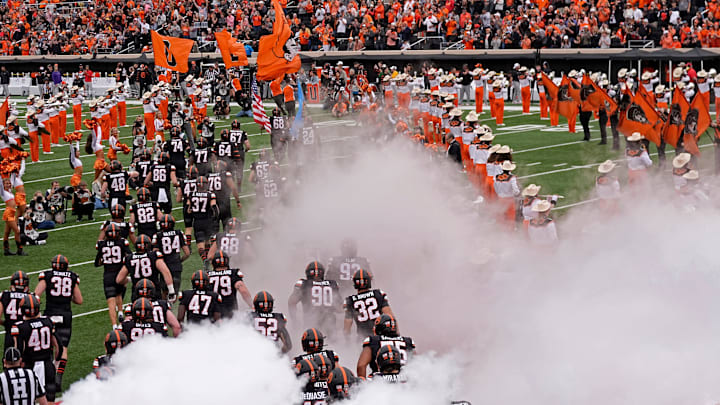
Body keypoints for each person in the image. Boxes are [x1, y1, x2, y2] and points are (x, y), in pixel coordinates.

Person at [34, 255, 82, 393]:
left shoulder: (47, 275)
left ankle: (48, 377)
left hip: (50, 314)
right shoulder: (72, 276)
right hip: (65, 315)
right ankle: (58, 377)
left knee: (48, 347)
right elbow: (79, 300)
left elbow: (36, 295)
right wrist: (67, 297)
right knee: (63, 348)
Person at [11, 295, 60, 404]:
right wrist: (55, 362)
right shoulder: (48, 321)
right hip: (47, 364)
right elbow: (59, 347)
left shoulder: (19, 327)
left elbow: (18, 349)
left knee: (29, 398)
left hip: (30, 366)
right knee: (49, 399)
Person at [115, 235, 176, 302]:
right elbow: (165, 272)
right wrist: (171, 290)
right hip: (153, 290)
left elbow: (119, 279)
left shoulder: (129, 258)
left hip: (138, 291)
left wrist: (130, 279)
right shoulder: (154, 255)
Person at [94, 223, 132, 328]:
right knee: (119, 292)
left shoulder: (102, 244)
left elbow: (97, 263)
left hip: (108, 275)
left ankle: (115, 325)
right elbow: (129, 256)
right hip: (119, 273)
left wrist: (105, 261)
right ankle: (120, 311)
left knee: (111, 301)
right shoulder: (122, 242)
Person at [288, 262, 341, 334]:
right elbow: (339, 308)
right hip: (329, 322)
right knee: (332, 343)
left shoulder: (303, 284)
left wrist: (295, 320)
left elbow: (292, 302)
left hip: (311, 322)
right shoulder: (332, 284)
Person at [343, 269, 393, 338]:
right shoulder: (378, 294)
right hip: (379, 336)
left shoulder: (350, 300)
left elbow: (347, 327)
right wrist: (396, 334)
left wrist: (346, 342)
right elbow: (390, 316)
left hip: (362, 338)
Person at [206, 251, 252, 318]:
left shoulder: (207, 275)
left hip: (212, 312)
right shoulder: (233, 273)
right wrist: (252, 306)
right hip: (230, 311)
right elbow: (243, 291)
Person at [152, 214, 190, 293]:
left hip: (164, 265)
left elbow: (155, 253)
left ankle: (165, 305)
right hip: (176, 265)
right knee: (174, 292)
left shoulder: (158, 235)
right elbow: (187, 253)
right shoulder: (179, 233)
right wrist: (179, 260)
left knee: (165, 291)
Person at [0, 272, 29, 351]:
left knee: (9, 360)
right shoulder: (31, 297)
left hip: (10, 331)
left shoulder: (4, 295)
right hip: (25, 334)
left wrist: (5, 323)